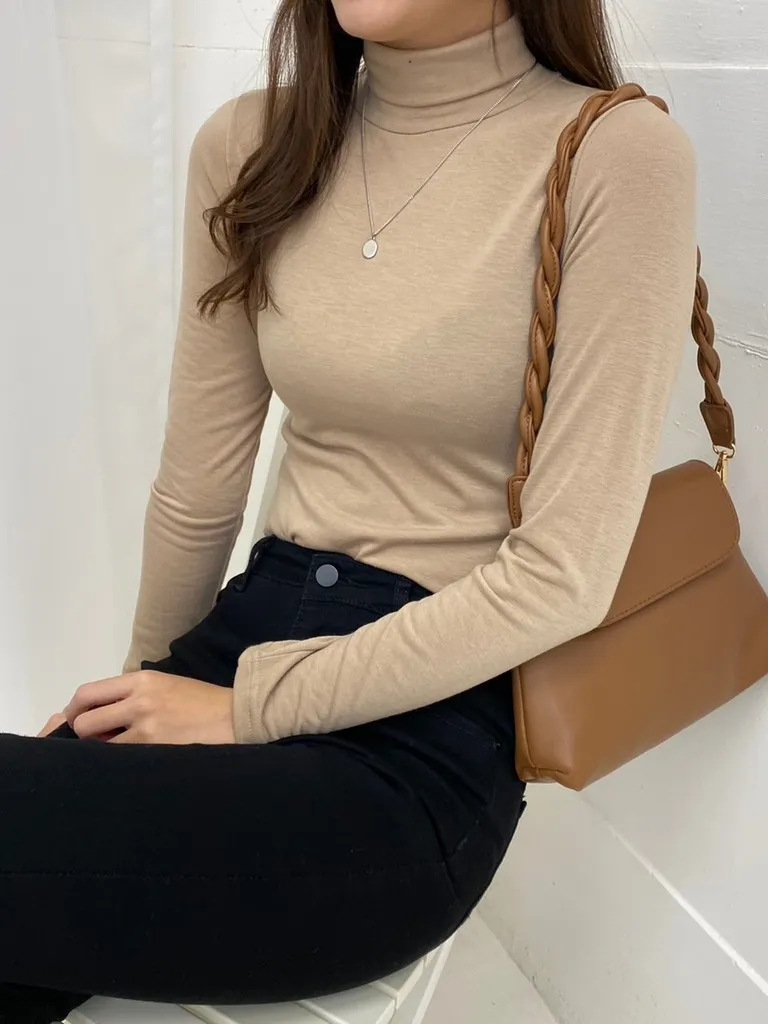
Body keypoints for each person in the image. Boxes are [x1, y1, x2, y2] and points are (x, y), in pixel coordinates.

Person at [0, 0, 697, 1020]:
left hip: (424, 739)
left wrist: (247, 711)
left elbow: (562, 576)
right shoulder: (252, 144)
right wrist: (140, 702)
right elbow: (198, 488)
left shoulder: (616, 154)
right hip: (242, 642)